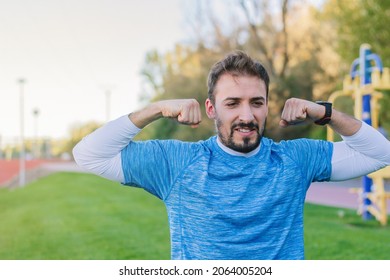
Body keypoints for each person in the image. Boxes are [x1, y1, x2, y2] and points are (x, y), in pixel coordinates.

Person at [73, 51, 390, 260]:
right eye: (232, 103)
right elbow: (89, 154)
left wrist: (324, 113)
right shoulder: (177, 163)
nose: (247, 116)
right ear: (211, 108)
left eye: (256, 102)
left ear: (267, 105)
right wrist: (155, 109)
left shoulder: (295, 160)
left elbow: (380, 153)